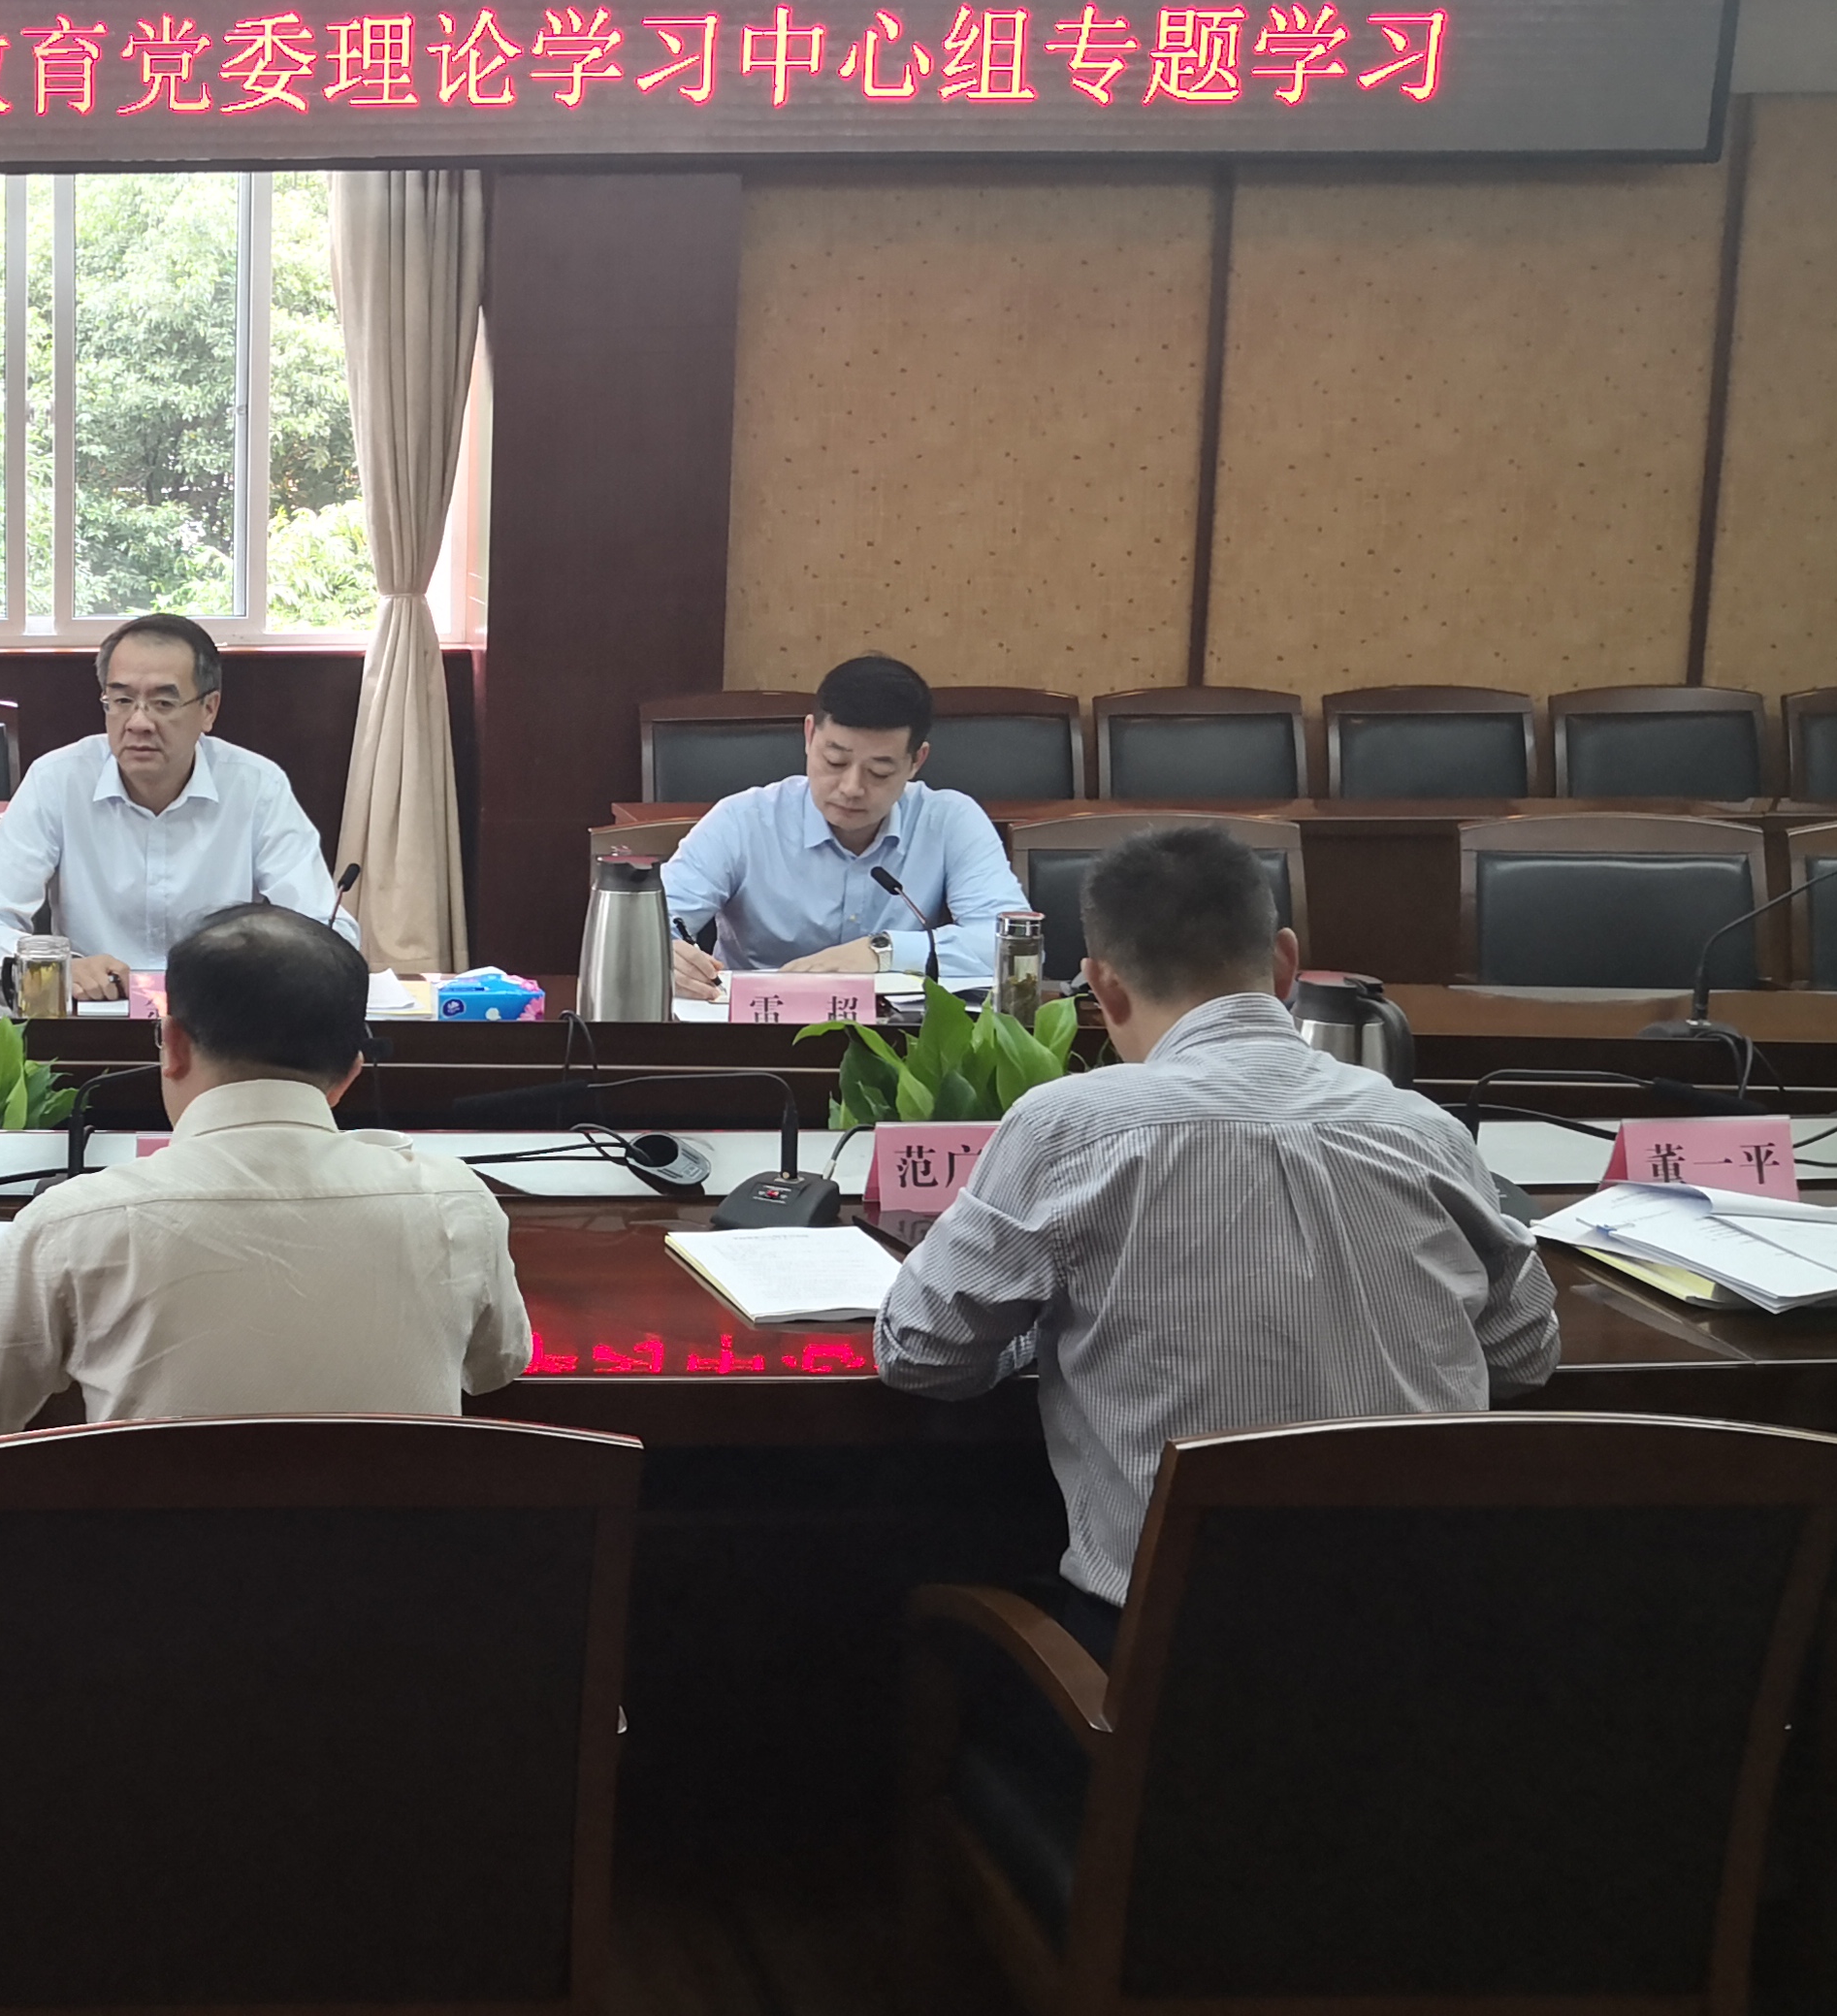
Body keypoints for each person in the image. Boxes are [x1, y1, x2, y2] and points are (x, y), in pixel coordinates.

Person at [873, 825, 1561, 1654]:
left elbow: (922, 1353)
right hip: (1426, 1657)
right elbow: (1524, 1355)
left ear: (1103, 987)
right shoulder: (1423, 1128)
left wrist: (1045, 1334)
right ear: (1285, 964)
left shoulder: (1068, 1129)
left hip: (1169, 1671)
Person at [0, 902, 527, 1472]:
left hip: (153, 1583)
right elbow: (496, 1369)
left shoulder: (75, 1222)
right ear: (351, 1073)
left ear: (173, 1044)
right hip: (399, 1582)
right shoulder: (457, 1203)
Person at [0, 614, 357, 1001]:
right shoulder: (57, 780)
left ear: (208, 709)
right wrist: (60, 968)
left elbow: (328, 932)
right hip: (92, 1016)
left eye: (163, 703)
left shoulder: (256, 786)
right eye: (122, 700)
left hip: (219, 1021)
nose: (138, 723)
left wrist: (250, 970)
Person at [658, 654, 1033, 1001]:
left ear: (916, 761)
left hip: (897, 1038)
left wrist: (883, 950)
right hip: (755, 1029)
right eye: (835, 761)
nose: (852, 788)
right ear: (809, 736)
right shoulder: (743, 820)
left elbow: (1015, 951)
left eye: (879, 771)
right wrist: (665, 957)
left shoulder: (949, 820)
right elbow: (650, 928)